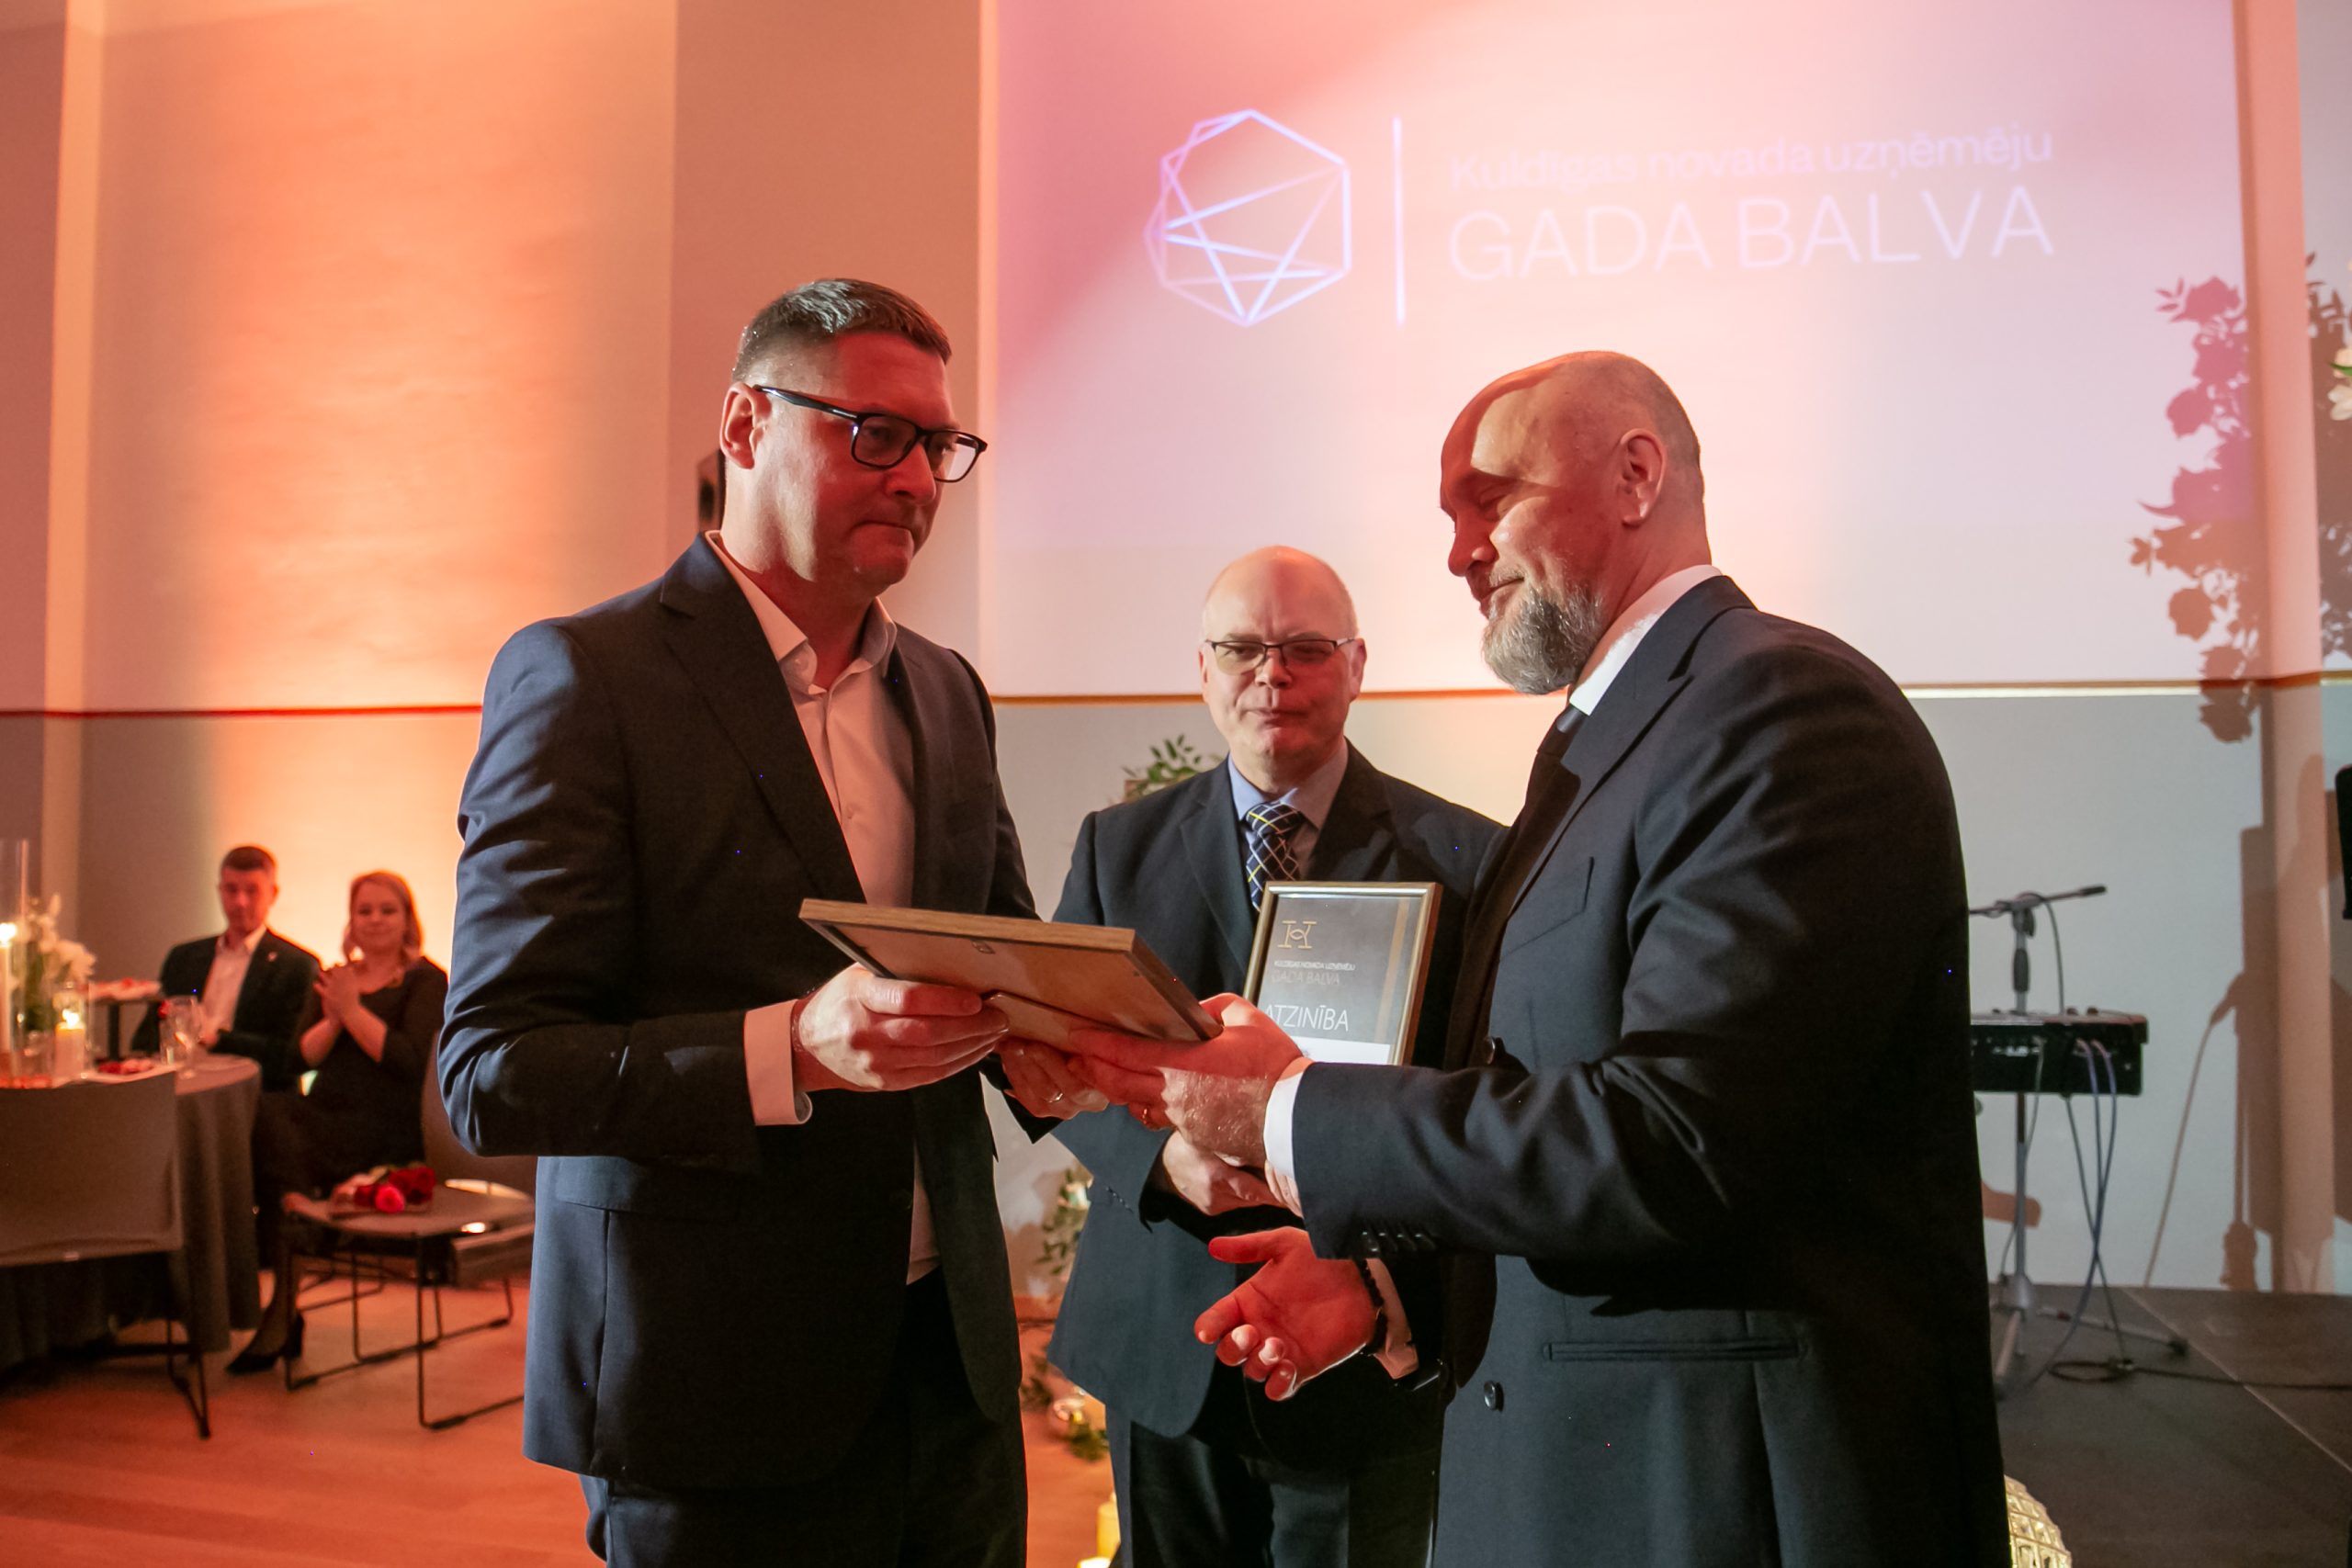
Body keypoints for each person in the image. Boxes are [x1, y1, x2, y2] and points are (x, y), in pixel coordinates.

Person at [1068, 353, 2010, 1566]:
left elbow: (1675, 1138)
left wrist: (1284, 1107)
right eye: (1448, 515)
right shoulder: (1607, 743)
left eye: (1489, 498)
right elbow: (1559, 1110)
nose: (1459, 551)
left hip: (1717, 1500)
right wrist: (1390, 1288)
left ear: (1635, 475)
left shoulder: (1780, 710)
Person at [442, 279, 1075, 1567]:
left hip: (948, 1370)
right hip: (712, 1380)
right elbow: (491, 1071)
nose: (918, 480)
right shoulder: (588, 678)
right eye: (875, 434)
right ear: (745, 424)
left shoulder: (946, 692)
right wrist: (789, 1048)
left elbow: (1001, 965)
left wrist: (1141, 1071)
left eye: (937, 446)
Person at [1048, 547, 1501, 1568]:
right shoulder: (1116, 847)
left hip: (1355, 1340)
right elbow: (1060, 1063)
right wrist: (1165, 1160)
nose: (1272, 675)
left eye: (1305, 648)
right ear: (1203, 668)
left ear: (1356, 664)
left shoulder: (1465, 858)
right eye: (1243, 649)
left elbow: (1478, 1098)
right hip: (1164, 1333)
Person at [229, 869, 446, 1373]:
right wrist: (332, 1015)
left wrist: (351, 1010)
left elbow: (408, 1061)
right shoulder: (336, 975)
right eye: (364, 910)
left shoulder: (425, 979)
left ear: (407, 919)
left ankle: (283, 1304)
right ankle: (298, 1214)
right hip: (324, 1117)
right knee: (265, 1105)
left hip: (383, 1127)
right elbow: (301, 1058)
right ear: (351, 920)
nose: (375, 920)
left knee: (276, 1152)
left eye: (387, 910)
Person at [133, 844, 320, 1088]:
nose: (240, 902)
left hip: (254, 1091)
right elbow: (145, 1038)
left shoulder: (296, 966)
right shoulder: (184, 958)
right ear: (219, 891)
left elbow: (290, 1055)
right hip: (179, 1084)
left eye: (252, 891)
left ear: (273, 894)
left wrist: (217, 1040)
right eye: (231, 890)